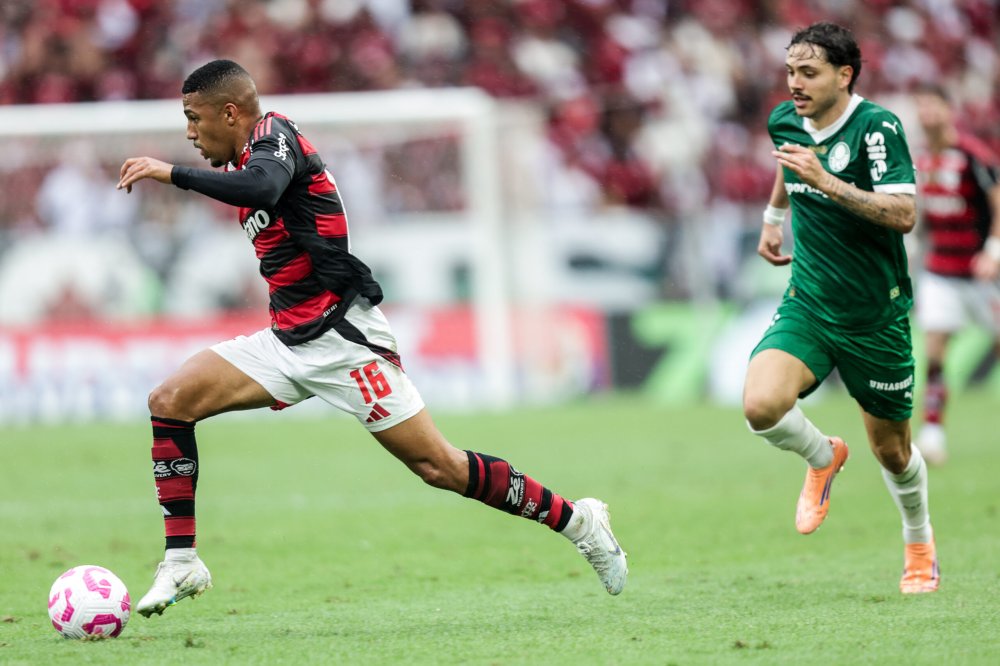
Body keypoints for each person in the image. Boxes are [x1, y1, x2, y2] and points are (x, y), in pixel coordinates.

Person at [117, 59, 628, 617]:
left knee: (441, 468)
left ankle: (580, 521)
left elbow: (263, 188)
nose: (189, 132)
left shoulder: (274, 137)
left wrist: (172, 174)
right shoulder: (244, 155)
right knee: (169, 403)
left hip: (344, 338)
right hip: (287, 340)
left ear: (231, 112)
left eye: (194, 118)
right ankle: (183, 560)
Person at [742, 22, 939, 594]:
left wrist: (825, 180)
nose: (795, 84)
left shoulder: (878, 127)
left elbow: (903, 215)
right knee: (760, 405)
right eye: (790, 72)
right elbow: (789, 162)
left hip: (874, 316)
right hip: (810, 302)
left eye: (809, 73)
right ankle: (823, 456)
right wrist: (773, 220)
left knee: (894, 452)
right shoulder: (785, 117)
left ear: (843, 75)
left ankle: (919, 542)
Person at [911, 84, 1000, 465]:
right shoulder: (920, 160)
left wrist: (994, 251)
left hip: (981, 273)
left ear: (949, 110)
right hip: (940, 272)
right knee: (934, 352)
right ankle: (932, 433)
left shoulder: (972, 156)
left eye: (934, 104)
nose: (927, 113)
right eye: (922, 106)